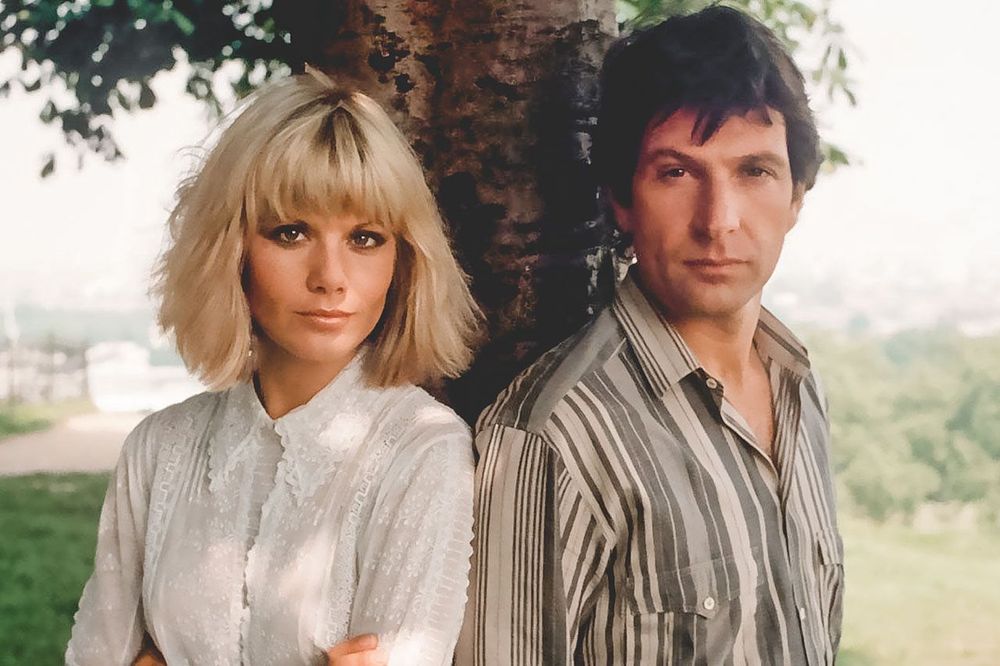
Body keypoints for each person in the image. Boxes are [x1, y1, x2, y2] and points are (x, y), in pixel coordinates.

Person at [458, 6, 842, 665]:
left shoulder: (801, 390)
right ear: (620, 198)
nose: (718, 221)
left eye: (754, 171)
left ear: (797, 197)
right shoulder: (552, 435)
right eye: (677, 172)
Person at [66, 72, 481, 666]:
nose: (330, 277)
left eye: (365, 238)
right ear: (230, 249)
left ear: (404, 260)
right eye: (291, 232)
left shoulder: (423, 450)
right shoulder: (158, 449)